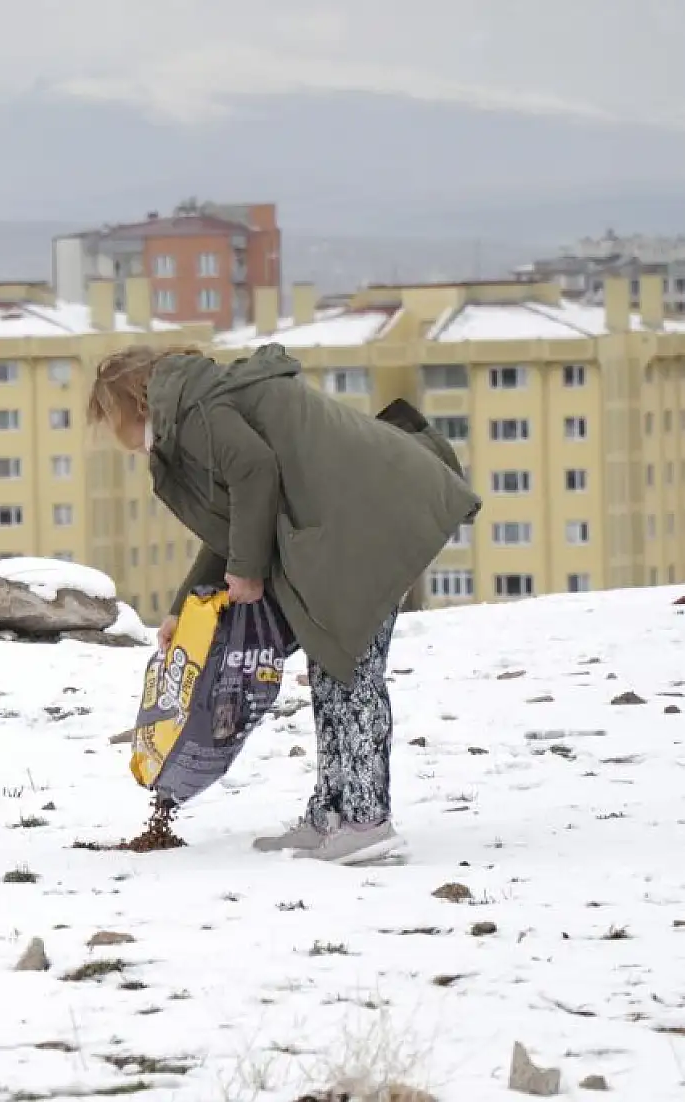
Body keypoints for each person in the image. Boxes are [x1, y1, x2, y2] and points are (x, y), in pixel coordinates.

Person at [88, 342, 481, 865]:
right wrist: (185, 606)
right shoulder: (200, 408)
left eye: (110, 416)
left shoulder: (199, 411)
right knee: (332, 669)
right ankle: (330, 816)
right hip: (348, 520)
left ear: (136, 403)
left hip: (371, 518)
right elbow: (233, 521)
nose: (113, 433)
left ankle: (367, 821)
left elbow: (254, 472)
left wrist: (248, 571)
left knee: (353, 673)